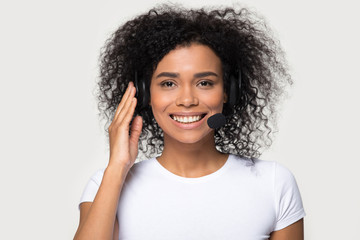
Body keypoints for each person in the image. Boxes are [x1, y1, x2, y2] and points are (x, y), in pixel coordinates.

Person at [74, 4, 305, 240]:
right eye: (168, 84)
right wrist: (117, 167)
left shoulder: (274, 183)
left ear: (228, 92)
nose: (187, 100)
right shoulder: (107, 185)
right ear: (145, 94)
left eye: (204, 83)